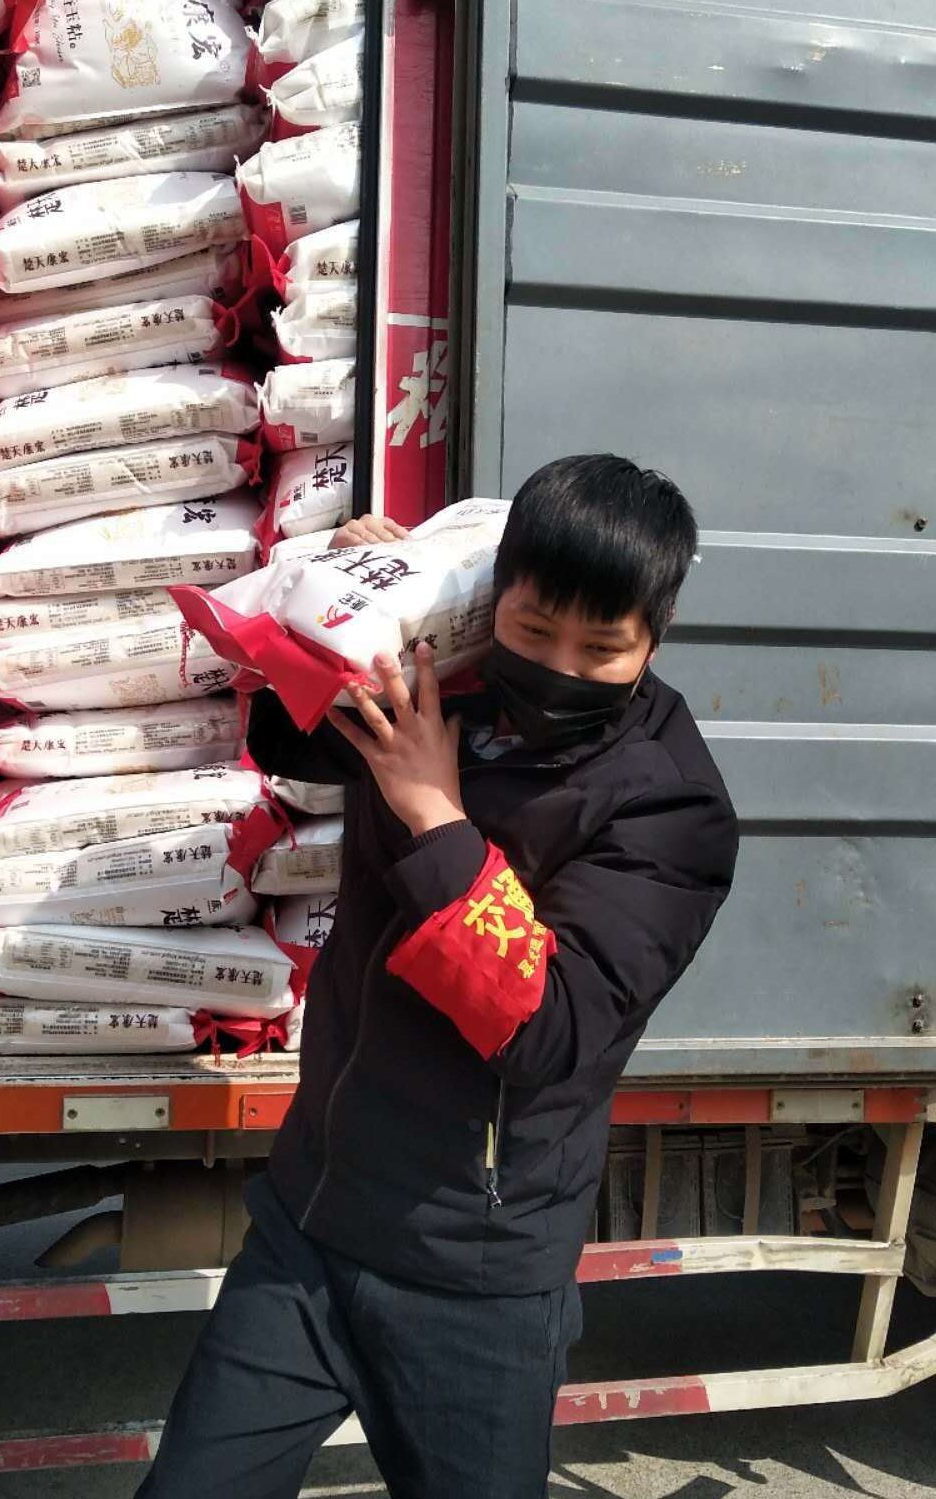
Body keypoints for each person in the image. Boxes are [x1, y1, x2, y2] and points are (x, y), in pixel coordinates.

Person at [136, 454, 738, 1499]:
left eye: (602, 649)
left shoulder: (668, 809)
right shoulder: (453, 682)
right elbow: (291, 736)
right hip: (311, 1220)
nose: (559, 666)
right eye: (533, 629)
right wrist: (344, 602)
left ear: (656, 634)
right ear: (495, 597)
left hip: (473, 1272)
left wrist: (433, 813)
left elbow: (547, 1027)